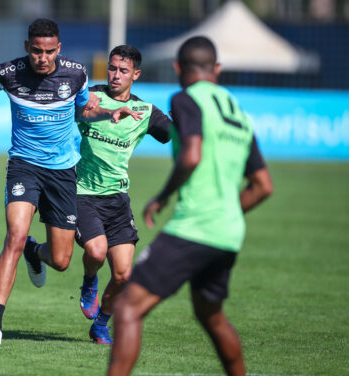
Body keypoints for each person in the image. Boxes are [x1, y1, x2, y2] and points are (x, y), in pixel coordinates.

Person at [0, 18, 141, 348]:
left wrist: (108, 113)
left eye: (49, 51)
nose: (43, 57)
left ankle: (36, 252)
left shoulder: (76, 74)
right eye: (36, 50)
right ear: (27, 48)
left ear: (58, 49)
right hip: (24, 166)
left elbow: (83, 112)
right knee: (15, 236)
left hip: (63, 173)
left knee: (62, 261)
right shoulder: (9, 73)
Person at [107, 36, 274, 376]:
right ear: (218, 70)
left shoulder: (186, 99)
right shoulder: (238, 114)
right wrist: (226, 212)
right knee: (211, 316)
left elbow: (191, 154)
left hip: (194, 228)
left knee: (126, 310)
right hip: (228, 234)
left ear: (178, 68)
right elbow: (263, 187)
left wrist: (163, 196)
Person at [74, 45, 171, 345]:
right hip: (82, 193)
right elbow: (67, 108)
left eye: (123, 71)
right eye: (112, 68)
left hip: (118, 199)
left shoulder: (145, 111)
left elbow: (172, 134)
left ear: (136, 75)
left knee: (124, 275)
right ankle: (90, 280)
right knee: (96, 253)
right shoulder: (90, 96)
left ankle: (101, 325)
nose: (115, 75)